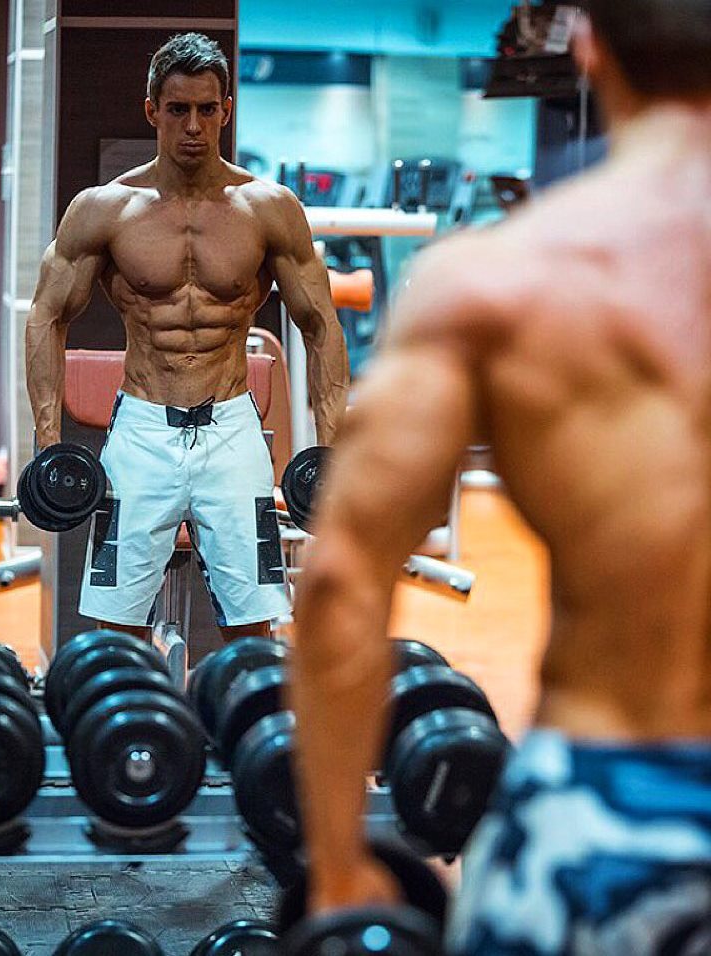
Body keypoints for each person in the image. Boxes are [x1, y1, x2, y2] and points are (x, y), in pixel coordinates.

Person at [291, 1, 711, 952]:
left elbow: (340, 581)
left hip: (598, 814)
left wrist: (338, 870)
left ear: (587, 43)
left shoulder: (500, 283)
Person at [25, 33, 348, 643]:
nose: (194, 126)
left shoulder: (268, 208)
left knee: (253, 630)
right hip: (141, 434)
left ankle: (245, 732)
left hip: (231, 431)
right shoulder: (107, 208)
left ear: (226, 109)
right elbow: (46, 317)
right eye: (178, 110)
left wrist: (330, 448)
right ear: (152, 110)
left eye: (207, 109)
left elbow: (321, 325)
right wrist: (49, 444)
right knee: (113, 633)